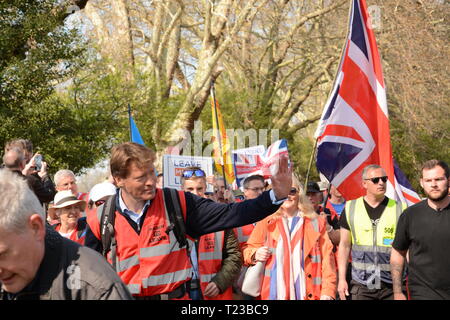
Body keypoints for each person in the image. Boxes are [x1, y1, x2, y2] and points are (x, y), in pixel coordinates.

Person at [84, 142, 291, 300]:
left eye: (152, 173)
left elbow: (233, 213)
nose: (150, 182)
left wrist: (276, 195)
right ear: (118, 179)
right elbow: (88, 277)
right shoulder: (99, 218)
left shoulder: (178, 204)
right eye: (140, 177)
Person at [0, 169, 133, 300]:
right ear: (57, 213)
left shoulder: (95, 285)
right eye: (67, 208)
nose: (73, 212)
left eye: (3, 254)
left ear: (36, 228)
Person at [243, 181, 337, 300]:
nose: (287, 195)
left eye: (292, 191)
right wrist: (255, 253)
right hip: (272, 295)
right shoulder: (266, 221)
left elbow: (328, 260)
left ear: (299, 194)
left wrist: (328, 292)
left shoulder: (316, 222)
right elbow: (248, 250)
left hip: (310, 294)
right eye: (281, 191)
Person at [337, 164, 406, 300]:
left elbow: (407, 249)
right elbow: (344, 246)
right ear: (364, 184)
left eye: (384, 179)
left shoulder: (400, 209)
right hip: (362, 284)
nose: (381, 183)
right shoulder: (351, 208)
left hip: (392, 286)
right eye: (375, 180)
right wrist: (341, 279)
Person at [391, 160, 450, 300]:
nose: (433, 184)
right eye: (428, 180)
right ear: (422, 183)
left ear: (448, 180)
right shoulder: (410, 215)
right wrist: (397, 291)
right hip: (422, 292)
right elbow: (398, 253)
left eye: (439, 179)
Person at [180, 166, 242, 300]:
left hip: (212, 292)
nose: (195, 193)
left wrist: (220, 282)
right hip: (182, 293)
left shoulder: (219, 215)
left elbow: (234, 255)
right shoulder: (172, 218)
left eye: (199, 188)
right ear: (182, 190)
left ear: (205, 188)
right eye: (190, 189)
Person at [3, 139, 56, 205]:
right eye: (25, 159)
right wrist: (44, 176)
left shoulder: (33, 178)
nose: (30, 163)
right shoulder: (32, 180)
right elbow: (49, 196)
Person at [306, 182, 340, 247]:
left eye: (313, 194)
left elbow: (338, 239)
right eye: (307, 195)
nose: (310, 198)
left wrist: (327, 226)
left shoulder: (329, 213)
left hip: (327, 253)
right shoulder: (299, 214)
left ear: (319, 196)